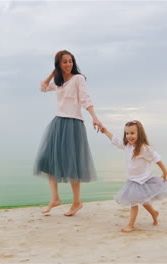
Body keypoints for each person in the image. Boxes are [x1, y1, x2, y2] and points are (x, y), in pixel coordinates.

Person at [34, 50, 104, 217]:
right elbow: (43, 87)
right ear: (59, 64)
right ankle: (55, 199)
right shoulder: (58, 82)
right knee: (48, 160)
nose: (68, 65)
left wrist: (95, 117)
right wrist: (54, 71)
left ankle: (77, 202)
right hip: (58, 123)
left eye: (70, 61)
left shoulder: (78, 79)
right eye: (64, 62)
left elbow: (86, 99)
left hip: (73, 123)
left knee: (73, 164)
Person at [101, 120, 167, 232]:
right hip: (132, 180)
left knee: (134, 203)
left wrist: (165, 172)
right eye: (127, 133)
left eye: (132, 133)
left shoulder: (144, 148)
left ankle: (131, 225)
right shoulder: (127, 145)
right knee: (143, 201)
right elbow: (116, 141)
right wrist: (105, 131)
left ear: (139, 133)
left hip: (144, 180)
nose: (129, 136)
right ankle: (154, 213)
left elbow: (156, 158)